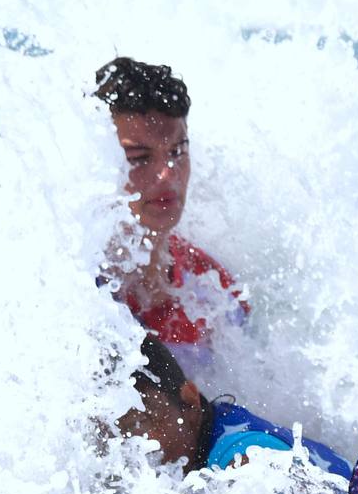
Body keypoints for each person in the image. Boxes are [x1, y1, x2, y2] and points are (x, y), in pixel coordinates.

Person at [94, 57, 248, 370]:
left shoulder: (213, 286)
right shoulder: (77, 299)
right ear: (97, 162)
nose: (168, 174)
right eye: (139, 158)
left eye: (177, 152)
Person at [119, 336, 350, 479]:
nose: (133, 445)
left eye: (140, 424)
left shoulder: (244, 461)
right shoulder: (218, 423)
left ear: (189, 401)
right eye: (117, 435)